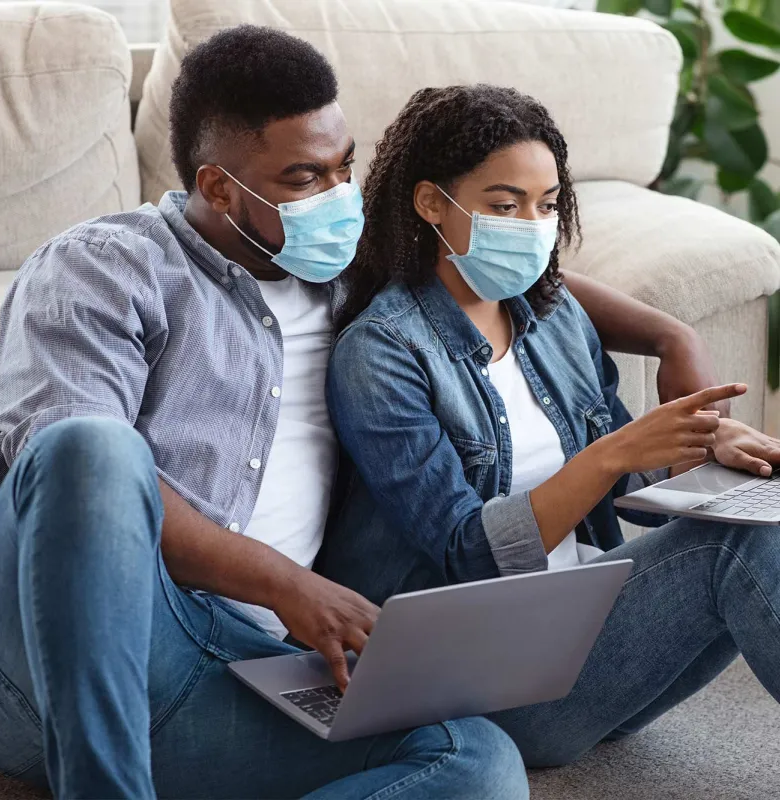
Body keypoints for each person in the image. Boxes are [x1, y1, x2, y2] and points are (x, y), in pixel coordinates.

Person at [0, 24, 741, 798]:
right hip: (52, 664)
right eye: (306, 178)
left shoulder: (344, 265)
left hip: (241, 669)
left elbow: (496, 270)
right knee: (90, 448)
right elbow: (69, 490)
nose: (338, 198)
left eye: (346, 167)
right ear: (218, 188)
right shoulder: (103, 267)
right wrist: (290, 588)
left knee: (475, 764)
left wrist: (664, 333)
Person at [318, 84, 780, 768]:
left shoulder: (553, 316)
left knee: (761, 514)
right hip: (483, 679)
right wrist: (614, 454)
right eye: (504, 206)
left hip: (585, 637)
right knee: (738, 550)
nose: (532, 225)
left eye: (547, 204)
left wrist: (707, 450)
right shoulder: (383, 353)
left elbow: (641, 492)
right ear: (431, 204)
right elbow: (467, 555)